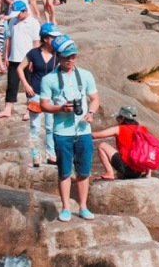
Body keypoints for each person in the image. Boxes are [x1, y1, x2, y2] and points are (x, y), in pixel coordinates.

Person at [40, 35, 100, 222]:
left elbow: (95, 99)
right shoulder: (48, 79)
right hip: (62, 132)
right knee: (64, 171)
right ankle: (66, 207)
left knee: (83, 171)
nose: (70, 60)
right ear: (58, 56)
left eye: (73, 56)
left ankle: (83, 207)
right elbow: (44, 105)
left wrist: (91, 113)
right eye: (66, 57)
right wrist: (61, 108)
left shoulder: (86, 75)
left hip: (83, 131)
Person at [18, 22, 62, 167]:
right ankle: (35, 155)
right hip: (35, 92)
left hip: (51, 95)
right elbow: (20, 68)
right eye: (52, 37)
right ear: (45, 38)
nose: (55, 40)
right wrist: (26, 84)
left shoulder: (58, 54)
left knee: (50, 126)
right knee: (35, 126)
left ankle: (51, 154)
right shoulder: (34, 53)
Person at [0, 0, 40, 119]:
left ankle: (30, 109)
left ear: (25, 11)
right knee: (12, 84)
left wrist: (34, 59)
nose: (17, 16)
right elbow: (8, 39)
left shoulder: (33, 23)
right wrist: (6, 55)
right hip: (14, 58)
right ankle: (7, 109)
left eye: (18, 13)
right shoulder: (13, 21)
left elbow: (36, 42)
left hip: (28, 59)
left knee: (30, 85)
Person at [92, 105, 153, 180]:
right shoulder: (142, 130)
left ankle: (109, 173)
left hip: (125, 169)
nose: (117, 119)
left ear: (123, 118)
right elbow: (148, 151)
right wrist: (148, 174)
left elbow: (96, 135)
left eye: (118, 117)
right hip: (138, 172)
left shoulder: (119, 129)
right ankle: (148, 173)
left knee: (102, 145)